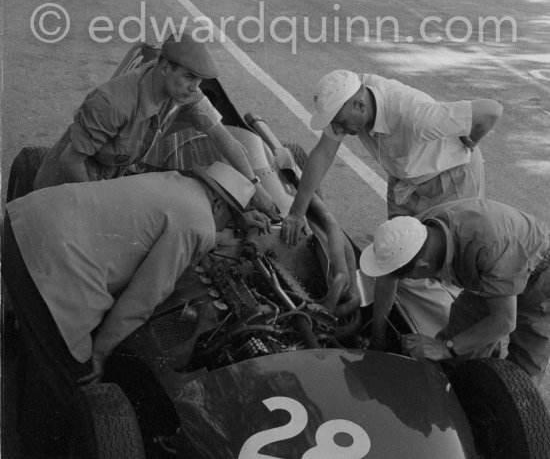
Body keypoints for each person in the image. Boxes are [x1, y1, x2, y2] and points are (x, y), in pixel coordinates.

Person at [2, 164, 268, 455]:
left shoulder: (177, 184)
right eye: (230, 222)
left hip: (26, 223)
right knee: (76, 379)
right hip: (50, 264)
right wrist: (100, 352)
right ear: (218, 204)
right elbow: (143, 298)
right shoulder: (199, 223)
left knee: (48, 351)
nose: (226, 229)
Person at [33, 31, 279, 218]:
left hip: (110, 175)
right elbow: (70, 161)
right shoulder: (113, 103)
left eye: (200, 81)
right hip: (65, 185)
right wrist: (103, 210)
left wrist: (255, 187)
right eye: (190, 77)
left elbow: (222, 137)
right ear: (163, 67)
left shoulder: (184, 91)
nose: (196, 87)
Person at [281, 69, 503, 248]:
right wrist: (297, 212)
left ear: (359, 106)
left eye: (339, 122)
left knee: (449, 252)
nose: (336, 129)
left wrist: (472, 140)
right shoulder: (348, 93)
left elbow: (491, 110)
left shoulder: (415, 116)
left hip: (449, 178)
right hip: (404, 175)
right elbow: (323, 153)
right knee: (396, 251)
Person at [359, 199, 550, 385]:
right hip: (492, 271)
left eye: (409, 277)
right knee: (456, 357)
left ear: (423, 266)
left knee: (523, 377)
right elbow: (387, 278)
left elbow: (504, 321)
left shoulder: (490, 246)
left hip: (540, 276)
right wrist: (378, 337)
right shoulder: (414, 233)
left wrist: (444, 348)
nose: (408, 280)